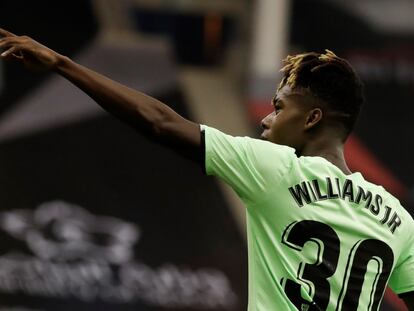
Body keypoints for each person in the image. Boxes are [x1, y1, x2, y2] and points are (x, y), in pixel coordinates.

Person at [0, 28, 413, 311]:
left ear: (311, 119)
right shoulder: (397, 219)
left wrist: (61, 64)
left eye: (279, 108)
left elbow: (159, 121)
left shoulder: (275, 169)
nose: (267, 120)